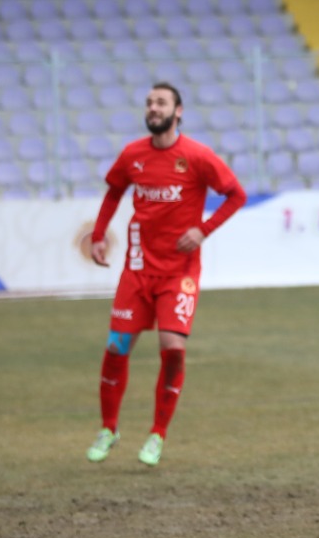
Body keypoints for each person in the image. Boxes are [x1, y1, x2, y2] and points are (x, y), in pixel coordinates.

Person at [85, 83, 247, 467]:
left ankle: (157, 434)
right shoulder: (132, 155)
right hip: (138, 270)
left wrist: (203, 230)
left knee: (173, 349)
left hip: (179, 273)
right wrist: (97, 236)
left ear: (178, 111)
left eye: (161, 102)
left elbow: (236, 194)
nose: (153, 108)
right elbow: (113, 192)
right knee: (116, 348)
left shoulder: (197, 156)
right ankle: (109, 428)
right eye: (149, 102)